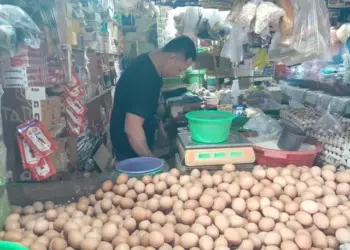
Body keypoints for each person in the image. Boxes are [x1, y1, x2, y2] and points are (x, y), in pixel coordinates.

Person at [110, 36, 197, 161]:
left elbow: (149, 104)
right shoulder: (144, 75)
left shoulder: (152, 65)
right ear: (171, 57)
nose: (179, 74)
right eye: (180, 69)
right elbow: (132, 129)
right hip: (130, 150)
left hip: (139, 144)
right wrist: (153, 161)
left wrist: (160, 127)